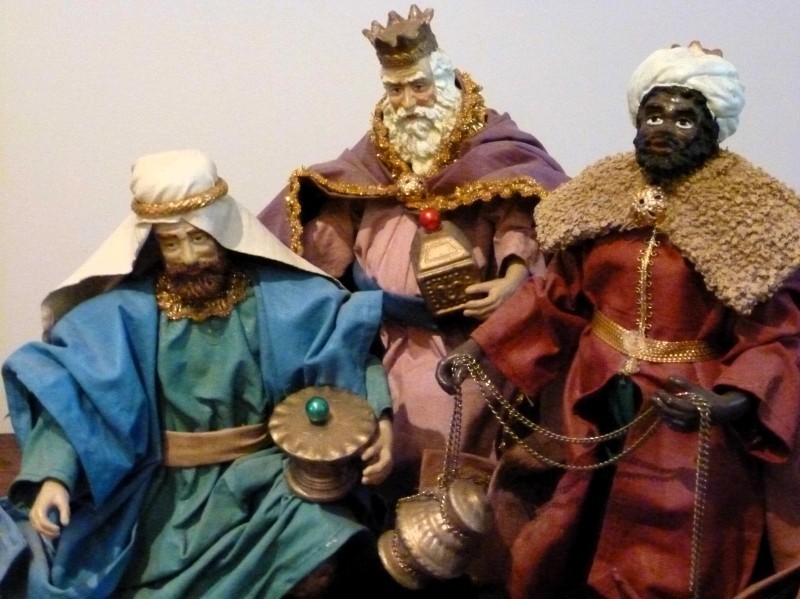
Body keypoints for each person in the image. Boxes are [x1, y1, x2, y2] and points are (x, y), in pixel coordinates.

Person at [437, 42, 800, 598]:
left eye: (683, 118)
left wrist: (729, 401)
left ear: (712, 128)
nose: (664, 129)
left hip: (682, 405)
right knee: (573, 512)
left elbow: (775, 335)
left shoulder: (752, 215)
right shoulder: (603, 196)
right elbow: (557, 295)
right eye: (654, 115)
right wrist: (479, 349)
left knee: (669, 532)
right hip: (594, 392)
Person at [0, 149, 394, 598]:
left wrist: (377, 418)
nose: (188, 256)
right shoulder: (122, 316)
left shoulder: (279, 299)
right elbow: (77, 401)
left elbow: (345, 349)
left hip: (264, 479)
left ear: (222, 231)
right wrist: (55, 475)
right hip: (160, 493)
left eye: (199, 238)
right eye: (172, 243)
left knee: (321, 543)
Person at [259, 4, 568, 503]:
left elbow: (520, 215)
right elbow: (334, 219)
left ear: (444, 82)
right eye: (395, 90)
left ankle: (445, 531)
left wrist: (512, 277)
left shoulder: (492, 149)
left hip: (464, 339)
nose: (407, 103)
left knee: (443, 439)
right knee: (357, 431)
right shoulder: (373, 156)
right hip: (380, 336)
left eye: (419, 87)